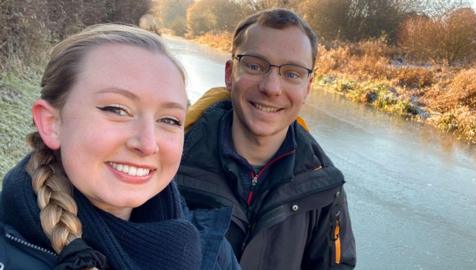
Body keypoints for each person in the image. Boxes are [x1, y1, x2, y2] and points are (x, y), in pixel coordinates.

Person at [0, 24, 239, 270]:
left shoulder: (212, 247)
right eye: (116, 109)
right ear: (52, 123)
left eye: (169, 120)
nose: (147, 144)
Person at [176, 8, 356, 270]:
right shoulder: (170, 163)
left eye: (292, 73)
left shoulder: (325, 188)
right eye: (254, 65)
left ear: (308, 87)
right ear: (229, 74)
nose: (271, 88)